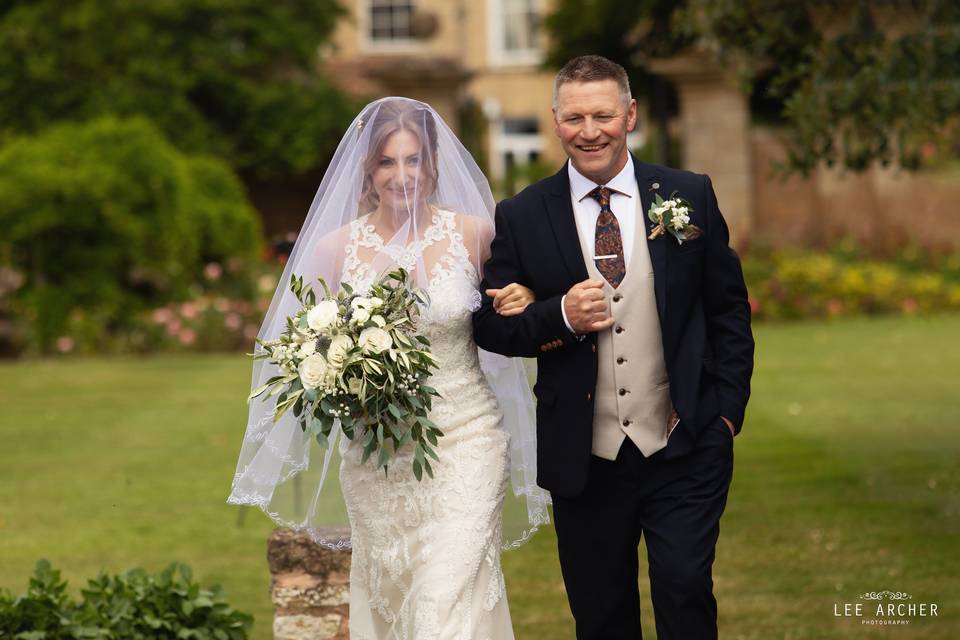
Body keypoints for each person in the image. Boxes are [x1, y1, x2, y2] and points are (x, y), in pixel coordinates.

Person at [228, 97, 551, 639]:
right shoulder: (334, 249)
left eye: (414, 160)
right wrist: (338, 378)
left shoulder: (475, 234)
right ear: (367, 171)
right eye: (387, 162)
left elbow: (516, 312)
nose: (402, 176)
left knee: (442, 601)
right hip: (375, 454)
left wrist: (526, 294)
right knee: (395, 597)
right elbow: (301, 347)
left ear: (433, 167)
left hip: (467, 439)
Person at [473, 55, 755, 639]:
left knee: (684, 589)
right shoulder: (523, 215)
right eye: (574, 117)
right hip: (585, 457)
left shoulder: (689, 194)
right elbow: (490, 327)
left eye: (603, 114)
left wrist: (726, 413)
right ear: (556, 122)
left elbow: (728, 309)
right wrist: (561, 316)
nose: (589, 130)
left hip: (685, 443)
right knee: (601, 617)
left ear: (629, 115)